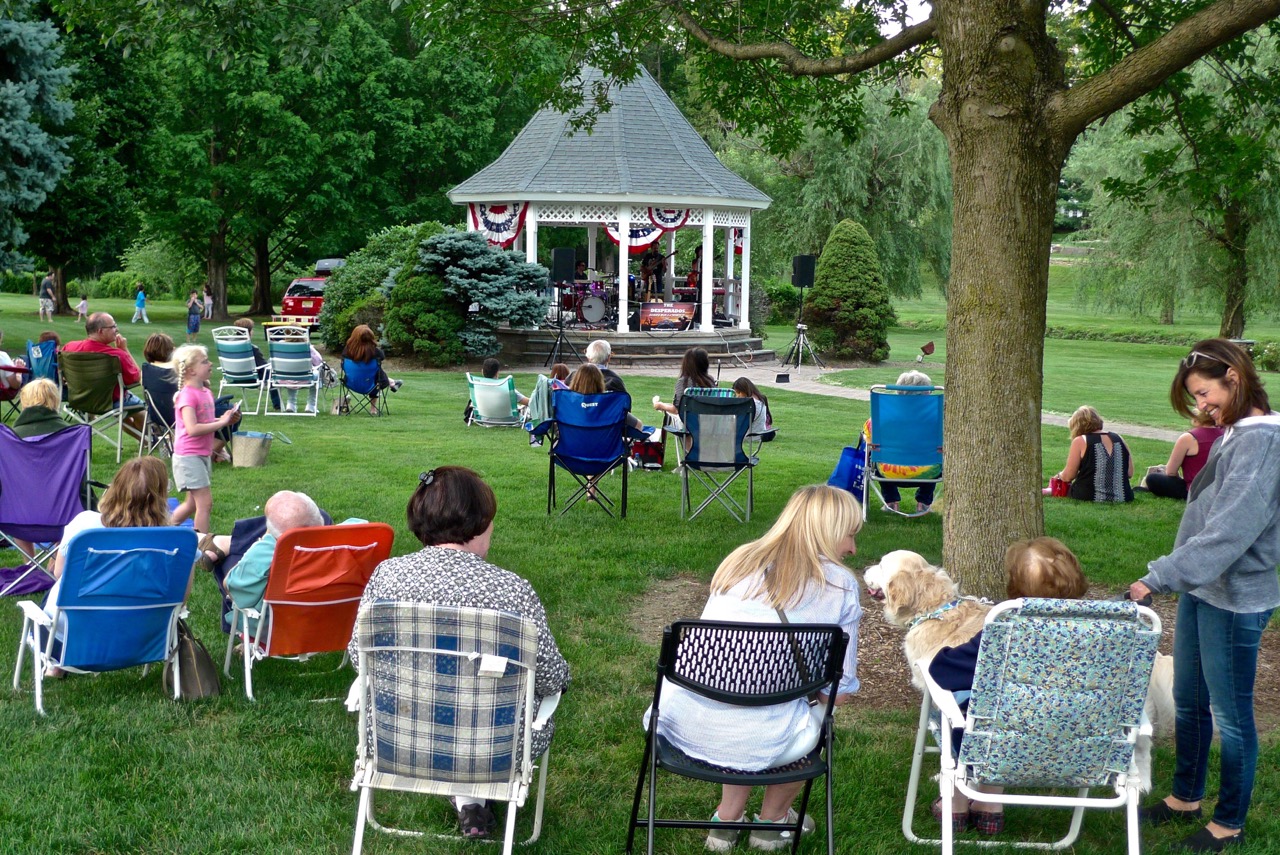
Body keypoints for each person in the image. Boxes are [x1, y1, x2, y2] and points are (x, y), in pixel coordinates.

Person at [348, 466, 570, 841]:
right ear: (478, 523)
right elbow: (549, 677)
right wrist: (563, 679)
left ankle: (469, 799)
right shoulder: (511, 591)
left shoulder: (386, 578)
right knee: (508, 703)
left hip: (397, 741)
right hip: (493, 750)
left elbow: (360, 658)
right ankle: (472, 795)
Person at [648, 484, 862, 852]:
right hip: (768, 734)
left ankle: (726, 821)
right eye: (850, 535)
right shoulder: (839, 585)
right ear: (828, 531)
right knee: (813, 706)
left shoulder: (740, 559)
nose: (853, 548)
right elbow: (838, 691)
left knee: (745, 691)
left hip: (681, 717)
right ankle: (772, 824)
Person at [1129, 339, 1280, 853]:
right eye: (1196, 397)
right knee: (1191, 702)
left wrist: (1158, 577)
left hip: (1236, 600)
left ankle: (1229, 823)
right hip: (1203, 587)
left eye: (1204, 393)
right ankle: (1185, 798)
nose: (1201, 406)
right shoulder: (1237, 431)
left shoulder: (1264, 442)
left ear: (1234, 378)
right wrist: (1182, 575)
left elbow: (1229, 532)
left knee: (1232, 718)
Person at [928, 537, 1089, 834]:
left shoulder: (1005, 630)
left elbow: (943, 672)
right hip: (1080, 747)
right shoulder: (1104, 632)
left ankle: (957, 801)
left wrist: (943, 652)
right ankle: (990, 804)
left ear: (1015, 587)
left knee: (956, 705)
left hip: (1004, 745)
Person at [41, 457, 181, 655]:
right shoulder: (177, 540)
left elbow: (59, 573)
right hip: (142, 638)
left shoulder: (84, 525)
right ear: (162, 496)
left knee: (56, 594)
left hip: (72, 638)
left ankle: (55, 665)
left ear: (115, 488)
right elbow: (180, 599)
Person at [223, 491, 340, 637]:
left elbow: (232, 589)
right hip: (334, 621)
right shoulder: (352, 541)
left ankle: (218, 546)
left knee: (226, 563)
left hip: (277, 630)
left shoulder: (264, 555)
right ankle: (219, 544)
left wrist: (264, 540)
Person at [168, 344, 241, 533]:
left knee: (192, 504)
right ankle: (202, 543)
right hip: (188, 456)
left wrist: (225, 420)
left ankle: (164, 527)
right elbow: (192, 429)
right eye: (205, 361)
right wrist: (221, 422)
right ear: (191, 370)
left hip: (201, 454)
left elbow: (205, 422)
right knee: (205, 504)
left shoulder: (206, 392)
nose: (210, 364)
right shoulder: (187, 396)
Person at [862, 370, 941, 513]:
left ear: (899, 393)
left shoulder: (879, 419)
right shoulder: (938, 420)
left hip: (888, 473)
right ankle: (923, 502)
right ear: (926, 394)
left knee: (877, 455)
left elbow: (868, 438)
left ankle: (891, 502)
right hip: (929, 473)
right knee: (936, 456)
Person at [63, 313, 146, 435]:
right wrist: (124, 349)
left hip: (79, 400)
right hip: (110, 402)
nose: (116, 329)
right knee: (139, 409)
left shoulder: (69, 348)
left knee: (125, 413)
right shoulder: (117, 355)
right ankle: (151, 440)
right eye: (113, 327)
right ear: (100, 331)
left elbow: (61, 372)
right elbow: (137, 378)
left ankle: (145, 440)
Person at [1055, 405, 1134, 503]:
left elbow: (1068, 476)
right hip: (1124, 496)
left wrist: (1059, 476)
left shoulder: (1080, 441)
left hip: (1087, 495)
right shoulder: (1119, 438)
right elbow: (1129, 473)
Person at [1144, 410, 1224, 500]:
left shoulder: (1189, 437)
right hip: (1219, 487)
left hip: (1194, 489)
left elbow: (1171, 472)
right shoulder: (1224, 434)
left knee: (1152, 478)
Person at [342, 324, 402, 416]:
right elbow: (382, 357)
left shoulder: (346, 351)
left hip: (351, 383)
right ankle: (373, 408)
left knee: (375, 374)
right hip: (372, 385)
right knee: (377, 375)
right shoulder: (376, 353)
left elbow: (343, 367)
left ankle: (392, 382)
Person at [652, 346, 716, 427]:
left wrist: (660, 405)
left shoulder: (683, 382)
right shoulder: (710, 381)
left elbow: (677, 410)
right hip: (709, 424)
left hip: (689, 425)